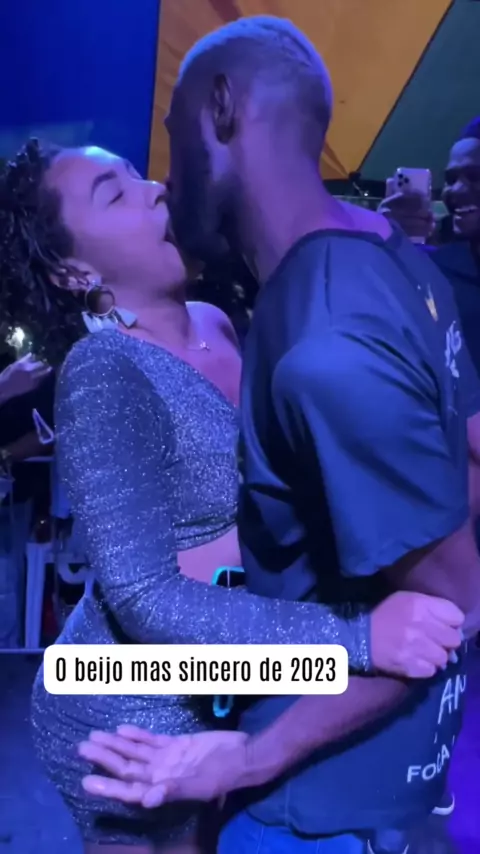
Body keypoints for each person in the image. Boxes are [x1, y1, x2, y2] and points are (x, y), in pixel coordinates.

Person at [78, 15, 480, 854]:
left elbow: (453, 602)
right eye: (116, 191)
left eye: (170, 136)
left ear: (222, 107)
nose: (162, 181)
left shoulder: (317, 341)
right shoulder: (391, 255)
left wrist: (253, 756)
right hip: (256, 739)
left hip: (311, 790)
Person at [0, 140, 456, 853]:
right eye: (114, 193)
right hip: (131, 706)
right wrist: (358, 638)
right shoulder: (104, 370)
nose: (154, 189)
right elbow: (144, 598)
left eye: (138, 175)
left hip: (228, 686)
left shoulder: (213, 320)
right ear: (72, 271)